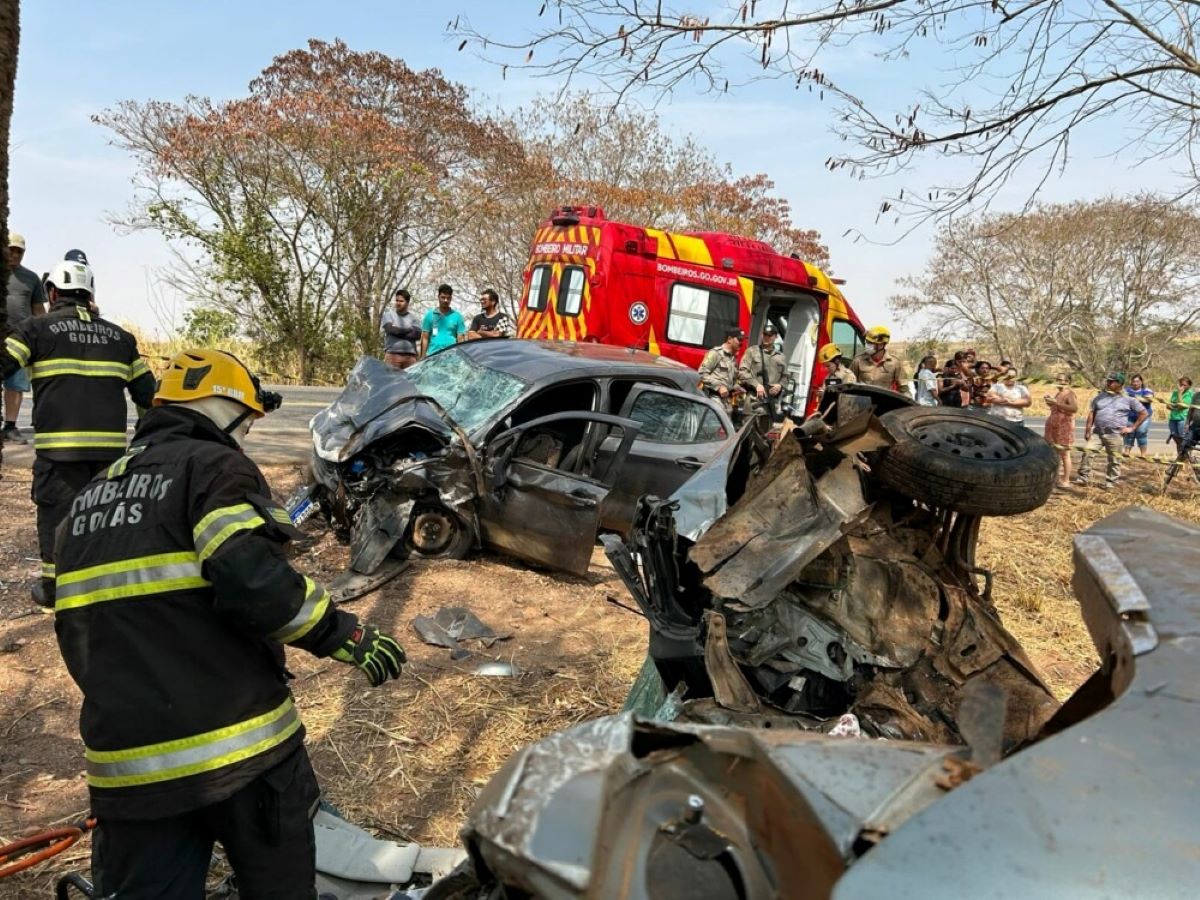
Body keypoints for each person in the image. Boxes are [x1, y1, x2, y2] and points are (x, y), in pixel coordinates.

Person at [52, 348, 406, 899]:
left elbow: (75, 628)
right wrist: (345, 635)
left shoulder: (86, 502)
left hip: (129, 770)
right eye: (246, 423)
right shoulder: (212, 468)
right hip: (242, 752)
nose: (245, 437)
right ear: (223, 407)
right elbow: (252, 580)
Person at [1, 260, 155, 606]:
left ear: (53, 293)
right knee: (105, 518)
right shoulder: (121, 338)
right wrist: (147, 440)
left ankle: (55, 591)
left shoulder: (35, 329)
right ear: (90, 294)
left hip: (60, 453)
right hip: (109, 456)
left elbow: (4, 364)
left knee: (57, 517)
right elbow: (148, 395)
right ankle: (105, 590)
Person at [4, 231, 47, 443]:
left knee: (16, 383)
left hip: (20, 339)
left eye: (19, 251)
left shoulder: (31, 278)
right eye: (11, 249)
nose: (14, 254)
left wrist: (46, 333)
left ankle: (10, 427)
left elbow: (38, 309)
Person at [1075, 372, 1147, 489]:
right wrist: (1087, 430)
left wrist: (1132, 428)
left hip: (1115, 434)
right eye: (1108, 381)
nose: (1108, 383)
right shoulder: (1100, 397)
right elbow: (1092, 413)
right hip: (1098, 433)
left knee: (1114, 459)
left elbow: (1143, 413)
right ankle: (1083, 477)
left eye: (1112, 381)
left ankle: (1110, 482)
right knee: (1088, 452)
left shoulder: (1128, 399)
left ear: (1120, 384)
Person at [738, 324, 787, 416]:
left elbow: (785, 377)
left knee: (767, 425)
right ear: (761, 335)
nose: (766, 337)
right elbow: (742, 373)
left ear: (776, 337)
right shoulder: (752, 351)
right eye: (765, 334)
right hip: (754, 400)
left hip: (771, 403)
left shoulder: (781, 357)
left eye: (770, 335)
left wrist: (780, 385)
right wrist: (756, 385)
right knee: (749, 425)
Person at [850, 325, 911, 396]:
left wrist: (909, 401)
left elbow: (904, 389)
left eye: (870, 343)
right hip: (863, 401)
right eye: (867, 342)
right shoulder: (858, 361)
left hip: (884, 401)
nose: (867, 345)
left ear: (881, 345)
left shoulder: (895, 363)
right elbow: (849, 384)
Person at [1043, 371, 1079, 487]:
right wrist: (1050, 401)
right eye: (1057, 379)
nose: (1058, 382)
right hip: (1053, 427)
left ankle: (1066, 480)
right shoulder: (1059, 393)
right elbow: (1056, 406)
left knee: (1065, 454)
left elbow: (1074, 408)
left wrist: (1056, 403)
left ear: (1067, 382)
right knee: (1054, 453)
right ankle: (1056, 478)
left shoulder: (1070, 394)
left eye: (1061, 380)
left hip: (1064, 427)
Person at [380, 288, 422, 370]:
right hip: (392, 355)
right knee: (391, 378)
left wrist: (397, 330)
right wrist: (408, 329)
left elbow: (417, 335)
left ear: (407, 303)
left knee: (410, 379)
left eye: (401, 301)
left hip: (410, 357)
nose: (398, 303)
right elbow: (390, 330)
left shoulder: (414, 318)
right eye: (397, 300)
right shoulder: (389, 315)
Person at [698, 327, 744, 402]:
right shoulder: (716, 353)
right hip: (712, 398)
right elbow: (702, 373)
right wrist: (719, 387)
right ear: (729, 339)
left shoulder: (733, 359)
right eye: (739, 340)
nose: (742, 343)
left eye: (743, 340)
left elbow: (730, 381)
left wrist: (737, 388)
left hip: (726, 400)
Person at [420, 283, 466, 357]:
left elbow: (460, 339)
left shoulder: (457, 317)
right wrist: (422, 357)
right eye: (443, 297)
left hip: (452, 357)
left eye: (448, 298)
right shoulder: (430, 315)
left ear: (451, 298)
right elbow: (425, 338)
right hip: (433, 356)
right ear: (438, 297)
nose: (445, 300)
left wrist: (461, 357)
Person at [1122, 373, 1154, 458]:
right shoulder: (1127, 390)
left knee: (1141, 433)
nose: (1135, 383)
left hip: (1144, 417)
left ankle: (1143, 454)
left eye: (1137, 381)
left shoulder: (1146, 390)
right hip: (1131, 416)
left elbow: (1149, 399)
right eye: (1134, 381)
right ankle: (1127, 452)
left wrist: (1138, 398)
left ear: (1141, 382)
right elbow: (1122, 396)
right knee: (1129, 433)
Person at [1166, 376, 1195, 452]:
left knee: (1183, 439)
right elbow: (1169, 405)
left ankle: (1186, 455)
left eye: (1185, 385)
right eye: (1181, 384)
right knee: (1176, 438)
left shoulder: (1190, 394)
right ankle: (1180, 455)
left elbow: (1182, 406)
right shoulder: (1175, 392)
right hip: (1173, 418)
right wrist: (1172, 406)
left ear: (1189, 386)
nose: (1182, 387)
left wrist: (1179, 394)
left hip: (1183, 418)